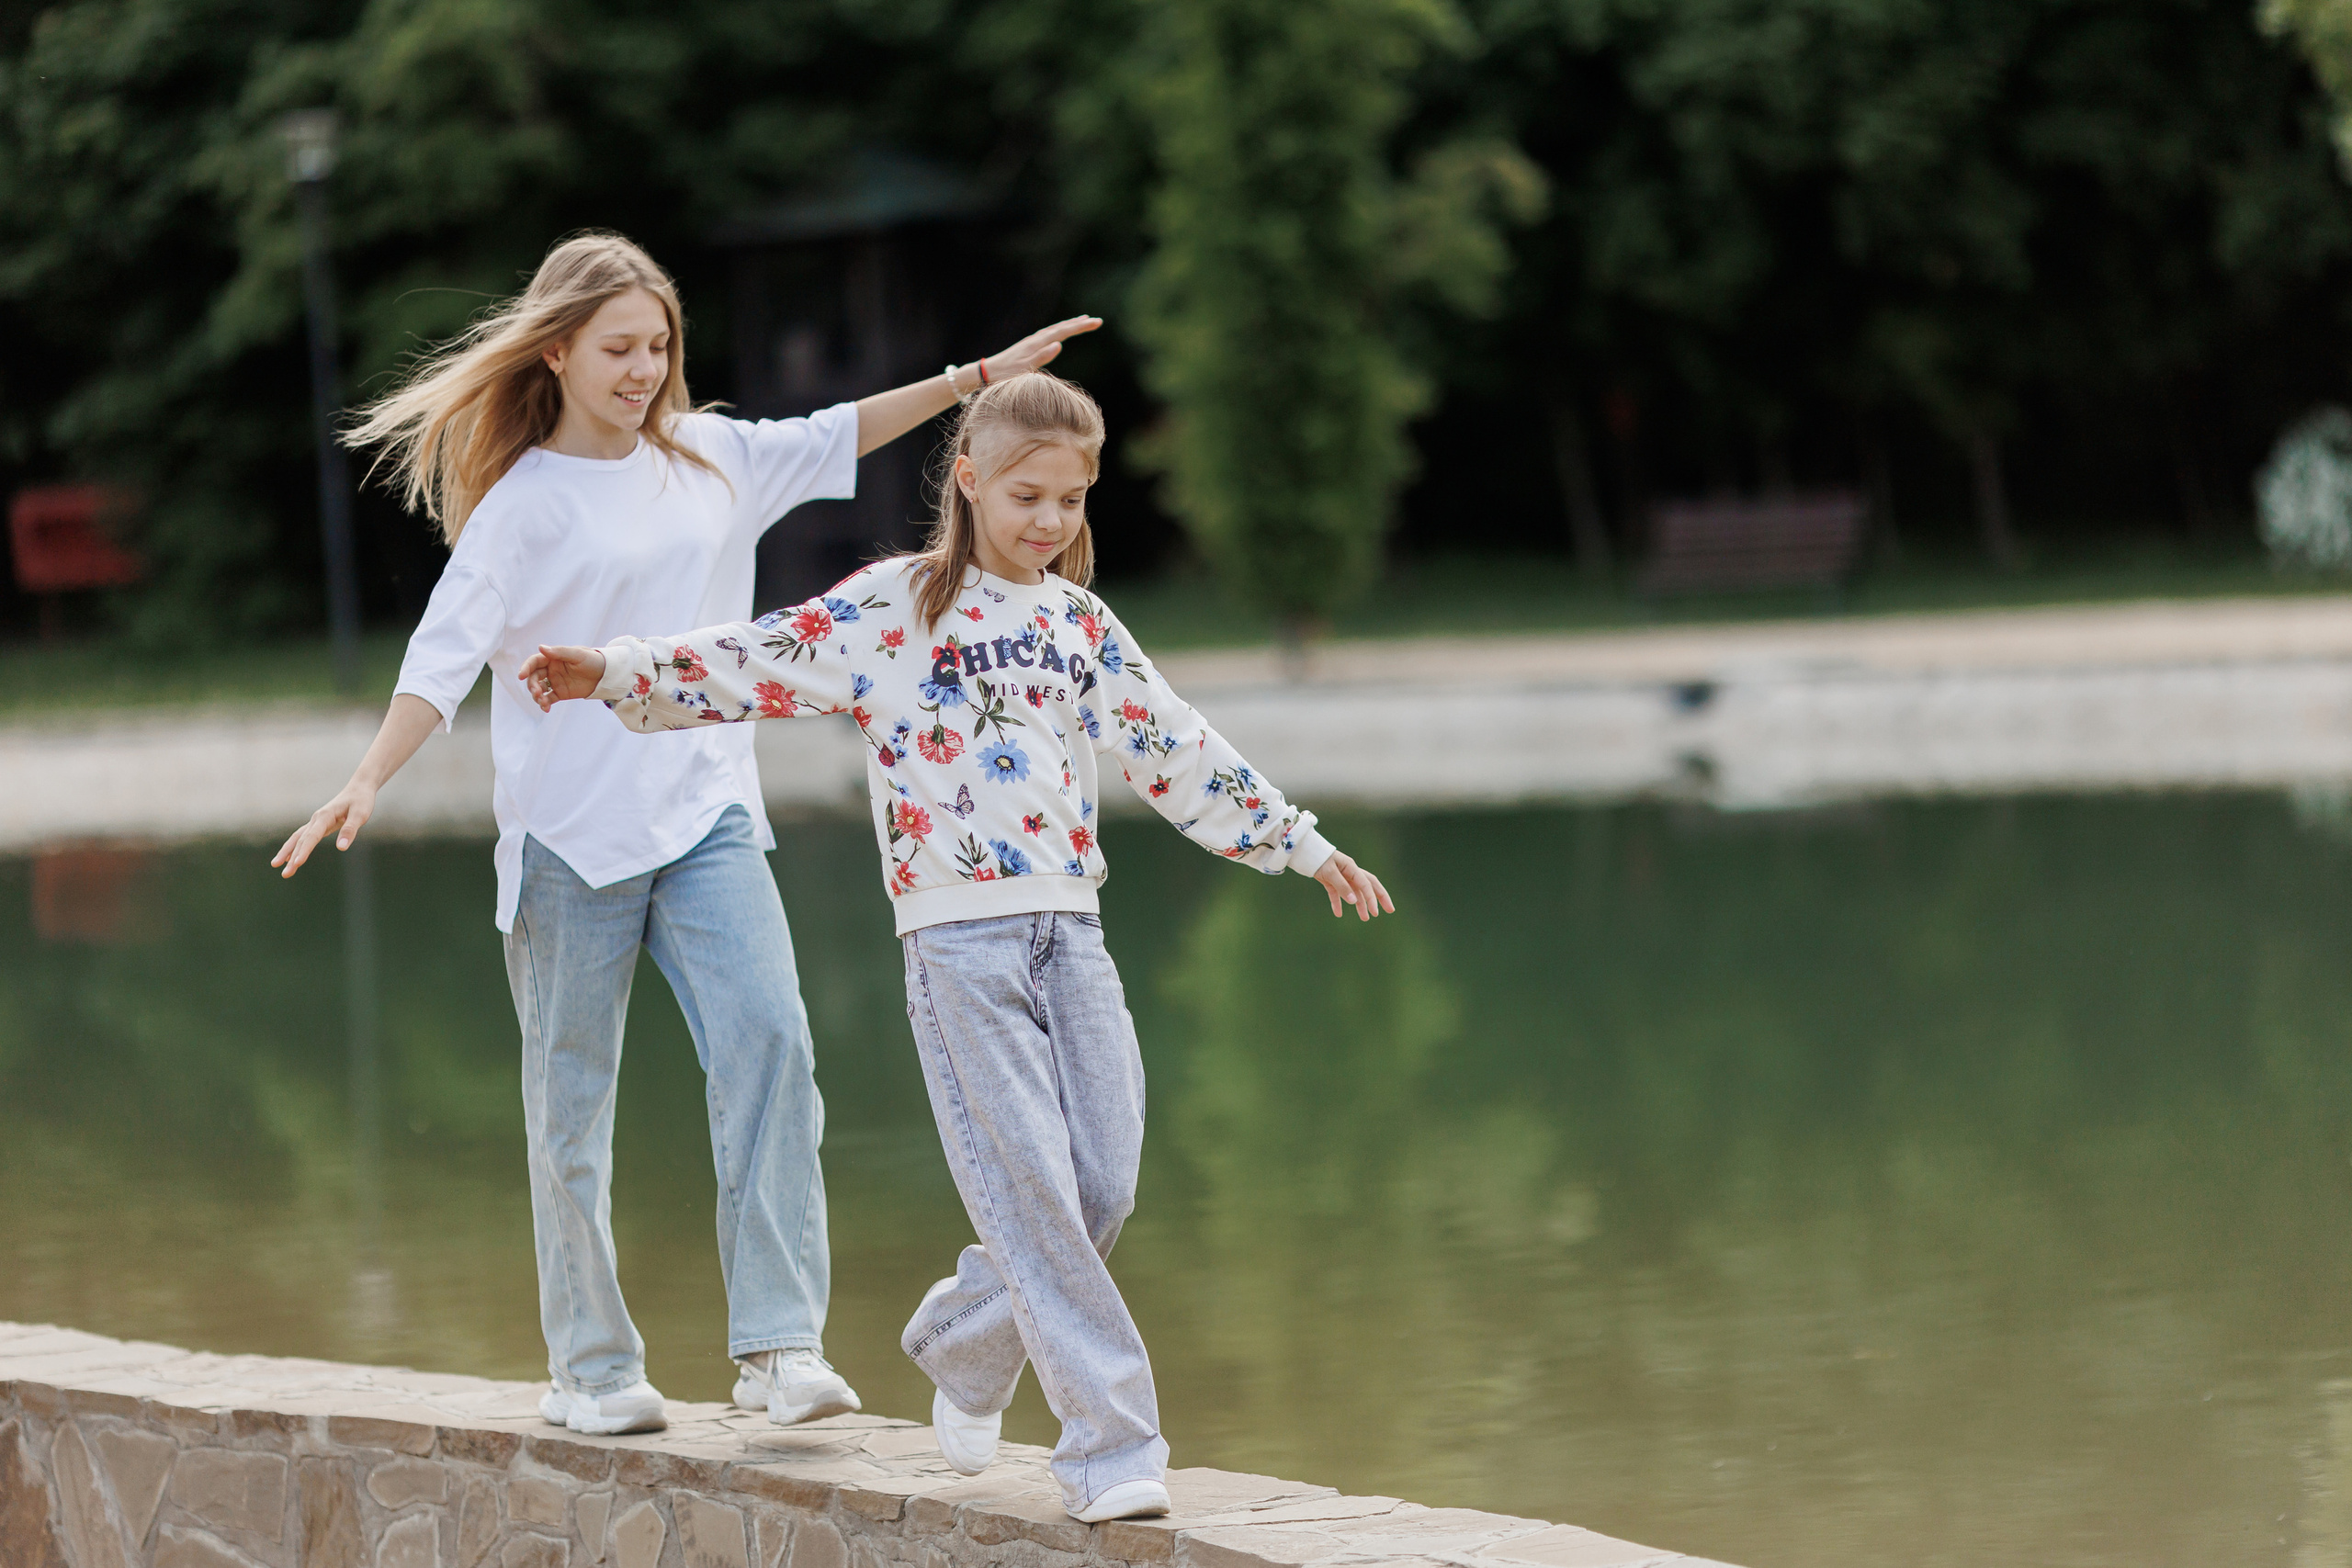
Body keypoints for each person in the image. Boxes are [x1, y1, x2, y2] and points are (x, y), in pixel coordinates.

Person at [516, 369, 1396, 1519]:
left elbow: (1172, 742)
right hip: (958, 949)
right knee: (1033, 1192)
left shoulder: (1077, 624)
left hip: (1069, 932)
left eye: (1072, 501)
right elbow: (761, 655)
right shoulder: (895, 609)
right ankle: (1111, 1448)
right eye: (1028, 495)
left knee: (1102, 1182)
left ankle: (965, 1346)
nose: (1049, 521)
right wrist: (618, 671)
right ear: (970, 481)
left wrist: (1297, 842)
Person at [269, 230, 1102, 1438]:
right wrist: (365, 779)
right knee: (571, 1111)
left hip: (708, 814)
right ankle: (592, 1367)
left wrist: (980, 378)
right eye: (619, 347)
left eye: (658, 345)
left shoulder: (713, 457)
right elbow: (440, 658)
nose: (644, 368)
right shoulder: (522, 508)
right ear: (557, 352)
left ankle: (778, 1346)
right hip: (569, 841)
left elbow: (841, 429)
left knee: (772, 1043)